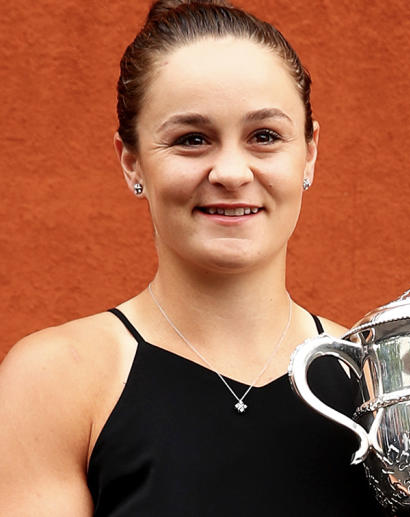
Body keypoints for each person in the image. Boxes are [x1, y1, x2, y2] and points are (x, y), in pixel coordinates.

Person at [0, 1, 386, 514]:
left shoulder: (379, 382)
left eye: (264, 136)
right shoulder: (56, 379)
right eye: (192, 139)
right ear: (131, 161)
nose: (231, 171)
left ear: (309, 152)